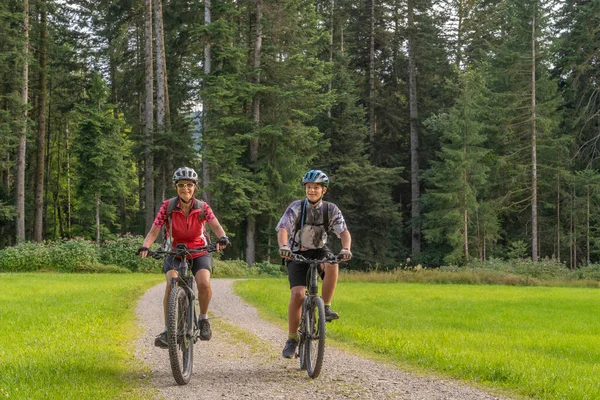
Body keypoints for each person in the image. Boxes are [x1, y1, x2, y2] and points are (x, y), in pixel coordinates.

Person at [138, 167, 229, 348]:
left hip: (199, 251)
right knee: (172, 283)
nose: (185, 189)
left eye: (189, 185)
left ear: (195, 187)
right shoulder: (168, 207)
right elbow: (154, 230)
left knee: (203, 283)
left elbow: (216, 226)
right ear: (176, 187)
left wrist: (223, 238)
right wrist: (145, 246)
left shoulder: (202, 207)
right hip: (175, 251)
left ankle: (203, 318)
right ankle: (168, 330)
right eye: (181, 185)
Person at [276, 169, 352, 359]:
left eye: (316, 188)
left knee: (333, 262)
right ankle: (292, 339)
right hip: (296, 251)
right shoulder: (296, 207)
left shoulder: (330, 209)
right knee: (298, 294)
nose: (312, 191)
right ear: (305, 189)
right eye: (309, 187)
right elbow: (284, 228)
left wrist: (346, 248)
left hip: (319, 249)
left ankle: (325, 306)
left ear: (323, 190)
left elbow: (343, 232)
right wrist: (284, 246)